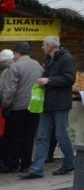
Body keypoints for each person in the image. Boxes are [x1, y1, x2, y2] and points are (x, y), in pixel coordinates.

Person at [19, 36, 77, 179]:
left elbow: (70, 79)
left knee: (61, 135)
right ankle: (36, 169)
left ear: (51, 46)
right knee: (42, 136)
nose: (42, 47)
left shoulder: (66, 58)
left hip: (60, 103)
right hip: (48, 103)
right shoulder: (49, 59)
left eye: (44, 45)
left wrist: (49, 80)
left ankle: (70, 162)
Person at [1, 43, 42, 174]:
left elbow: (10, 89)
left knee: (15, 136)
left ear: (18, 53)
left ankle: (12, 164)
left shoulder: (15, 66)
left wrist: (5, 105)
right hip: (34, 106)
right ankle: (25, 164)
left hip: (17, 107)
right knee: (29, 136)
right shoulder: (38, 65)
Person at [0, 49, 14, 165]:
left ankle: (3, 159)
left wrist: (4, 104)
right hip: (15, 105)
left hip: (5, 106)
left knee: (4, 134)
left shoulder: (6, 71)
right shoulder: (16, 68)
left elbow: (2, 90)